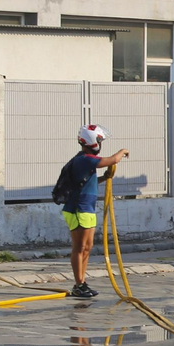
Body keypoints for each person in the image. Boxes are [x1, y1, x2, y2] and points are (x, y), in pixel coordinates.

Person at [58, 125, 128, 300]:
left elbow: (89, 182)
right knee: (79, 248)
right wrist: (122, 151)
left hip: (86, 208)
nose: (100, 144)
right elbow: (112, 160)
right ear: (91, 141)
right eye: (99, 140)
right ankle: (78, 284)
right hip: (78, 209)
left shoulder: (86, 161)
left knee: (87, 248)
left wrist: (105, 178)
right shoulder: (84, 159)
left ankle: (82, 282)